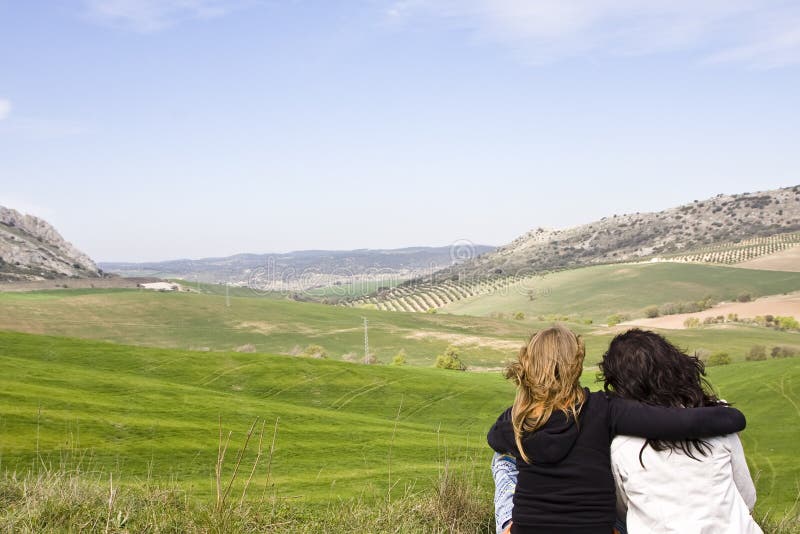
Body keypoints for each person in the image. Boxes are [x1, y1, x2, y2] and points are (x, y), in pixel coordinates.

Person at [487, 325, 746, 534]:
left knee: (502, 458)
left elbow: (494, 438)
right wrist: (731, 415)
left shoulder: (517, 420)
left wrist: (527, 406)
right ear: (576, 364)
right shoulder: (605, 409)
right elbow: (681, 423)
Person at [602, 329, 762, 533]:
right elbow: (747, 498)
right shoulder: (718, 422)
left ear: (619, 384)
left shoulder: (621, 446)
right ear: (674, 365)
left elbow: (623, 508)